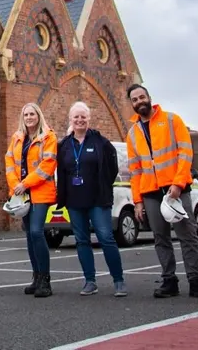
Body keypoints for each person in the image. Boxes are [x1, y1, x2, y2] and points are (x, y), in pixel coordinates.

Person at [125, 83, 198, 299]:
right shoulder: (132, 133)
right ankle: (169, 281)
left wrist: (177, 185)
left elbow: (185, 153)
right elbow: (135, 170)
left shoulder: (171, 120)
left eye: (142, 97)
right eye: (135, 100)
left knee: (188, 235)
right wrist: (137, 201)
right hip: (151, 193)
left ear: (149, 97)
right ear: (131, 104)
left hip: (176, 189)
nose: (139, 102)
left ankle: (196, 281)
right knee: (161, 238)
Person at [56, 101, 126, 297]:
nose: (80, 120)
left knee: (106, 237)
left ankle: (118, 280)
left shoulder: (100, 142)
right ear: (70, 120)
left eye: (83, 117)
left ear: (89, 119)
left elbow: (112, 165)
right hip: (74, 201)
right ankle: (90, 281)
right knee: (81, 240)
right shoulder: (64, 145)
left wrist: (104, 185)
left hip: (98, 199)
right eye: (76, 117)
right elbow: (61, 171)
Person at [4, 102, 58, 298]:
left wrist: (25, 184)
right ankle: (36, 277)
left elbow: (47, 166)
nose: (29, 117)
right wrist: (15, 186)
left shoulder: (48, 137)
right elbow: (9, 162)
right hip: (22, 194)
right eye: (26, 114)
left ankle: (45, 279)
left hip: (40, 191)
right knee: (29, 234)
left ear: (38, 116)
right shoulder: (17, 138)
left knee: (36, 231)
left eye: (32, 114)